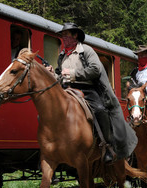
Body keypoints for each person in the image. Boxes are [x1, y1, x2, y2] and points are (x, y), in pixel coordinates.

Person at [48, 22, 138, 164]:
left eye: (66, 35)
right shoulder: (62, 56)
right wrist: (53, 74)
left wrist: (73, 73)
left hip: (87, 89)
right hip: (68, 89)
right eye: (62, 36)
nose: (64, 38)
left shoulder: (87, 50)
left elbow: (95, 70)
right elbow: (61, 75)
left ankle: (108, 146)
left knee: (100, 110)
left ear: (75, 35)